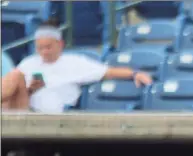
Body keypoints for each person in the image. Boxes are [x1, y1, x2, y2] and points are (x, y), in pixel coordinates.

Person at [1, 18, 152, 113]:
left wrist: (134, 74)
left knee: (15, 75)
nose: (44, 52)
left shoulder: (75, 62)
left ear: (60, 44)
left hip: (51, 114)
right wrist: (31, 89)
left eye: (48, 47)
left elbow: (108, 72)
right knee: (15, 76)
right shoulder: (30, 62)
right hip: (23, 108)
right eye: (40, 48)